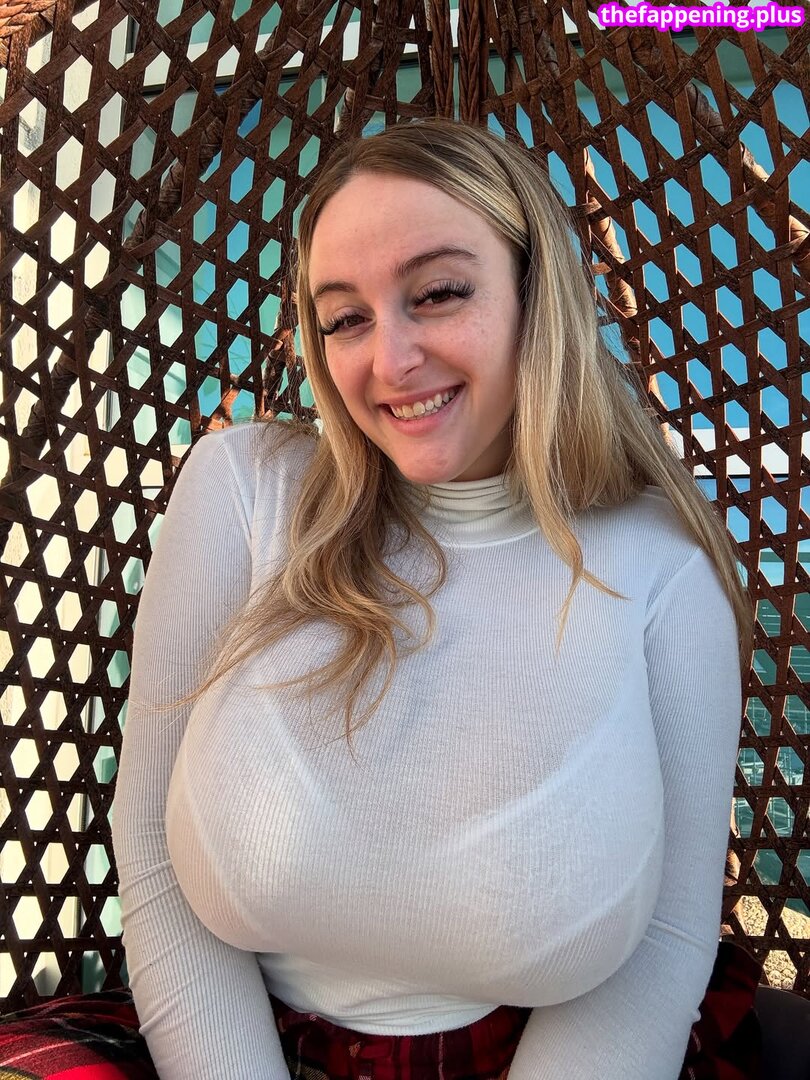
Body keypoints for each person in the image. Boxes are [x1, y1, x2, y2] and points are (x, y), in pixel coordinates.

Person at [104, 118, 759, 1080]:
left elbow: (664, 941)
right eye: (345, 319)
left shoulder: (660, 565)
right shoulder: (245, 489)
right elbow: (150, 847)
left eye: (439, 293)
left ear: (537, 295)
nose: (392, 360)